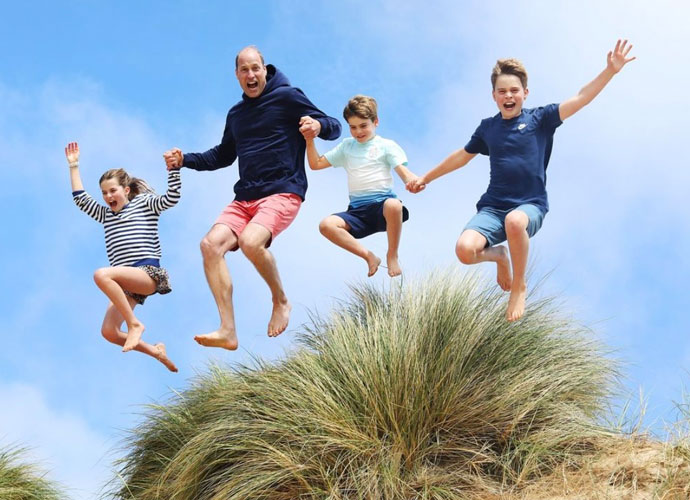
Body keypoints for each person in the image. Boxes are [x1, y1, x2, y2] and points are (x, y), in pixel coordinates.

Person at [407, 40, 635, 321]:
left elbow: (581, 97)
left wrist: (609, 71)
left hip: (530, 205)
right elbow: (462, 156)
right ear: (494, 96)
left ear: (525, 93)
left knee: (515, 221)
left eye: (514, 90)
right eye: (502, 91)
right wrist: (426, 178)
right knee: (465, 251)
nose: (508, 95)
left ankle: (519, 286)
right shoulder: (488, 128)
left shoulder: (541, 119)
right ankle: (500, 256)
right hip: (492, 208)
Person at [164, 45, 341, 350]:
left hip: (283, 190)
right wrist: (185, 160)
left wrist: (317, 125)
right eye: (244, 70)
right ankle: (228, 330)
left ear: (264, 68)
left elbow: (334, 127)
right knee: (210, 246)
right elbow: (222, 155)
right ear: (236, 75)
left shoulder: (287, 97)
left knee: (250, 241)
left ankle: (280, 300)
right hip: (245, 197)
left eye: (255, 68)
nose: (250, 74)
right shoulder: (236, 115)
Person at [65, 141, 180, 371]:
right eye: (104, 193)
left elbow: (171, 198)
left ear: (126, 190)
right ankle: (156, 351)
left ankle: (134, 324)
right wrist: (74, 166)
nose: (108, 196)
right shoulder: (105, 215)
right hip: (127, 284)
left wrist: (174, 170)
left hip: (147, 273)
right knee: (108, 331)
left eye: (113, 190)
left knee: (101, 275)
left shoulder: (144, 204)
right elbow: (80, 198)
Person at [303, 95, 419, 277]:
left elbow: (403, 172)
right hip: (358, 213)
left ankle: (392, 255)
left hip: (383, 209)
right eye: (353, 127)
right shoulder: (347, 147)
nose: (358, 132)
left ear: (376, 122)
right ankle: (369, 256)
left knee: (394, 204)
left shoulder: (386, 145)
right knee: (326, 225)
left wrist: (412, 181)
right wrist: (309, 140)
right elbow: (316, 164)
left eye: (363, 125)